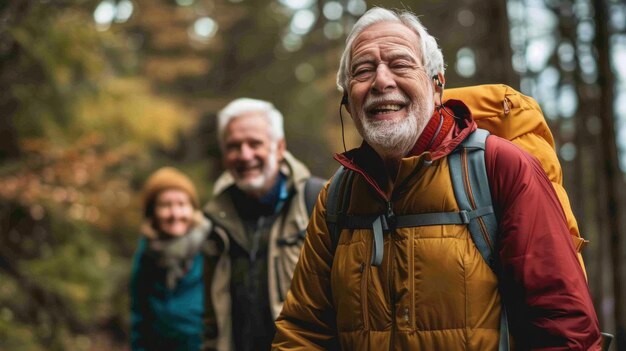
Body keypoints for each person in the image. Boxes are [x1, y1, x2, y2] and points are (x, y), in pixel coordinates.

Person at [273, 7, 602, 351]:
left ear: (437, 87)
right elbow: (303, 331)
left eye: (400, 64)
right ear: (348, 100)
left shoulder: (500, 168)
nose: (381, 81)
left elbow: (565, 331)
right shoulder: (337, 196)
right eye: (363, 70)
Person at [201, 98, 323, 351]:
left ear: (279, 148)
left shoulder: (319, 202)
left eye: (255, 143)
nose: (245, 155)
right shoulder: (215, 220)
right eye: (234, 146)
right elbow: (210, 314)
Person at [130, 167, 210, 351]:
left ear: (193, 208)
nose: (175, 214)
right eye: (166, 205)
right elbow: (139, 319)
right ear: (152, 212)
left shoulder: (212, 248)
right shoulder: (147, 256)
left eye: (182, 204)